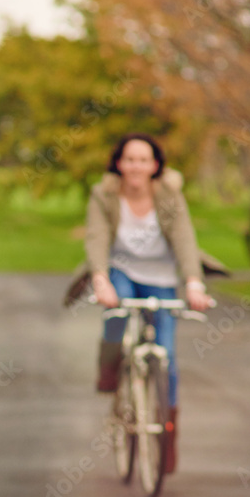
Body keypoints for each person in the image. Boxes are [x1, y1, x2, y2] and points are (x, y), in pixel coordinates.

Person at [85, 133, 212, 473]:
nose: (136, 166)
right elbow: (97, 237)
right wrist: (100, 279)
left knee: (167, 356)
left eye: (143, 160)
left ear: (155, 165)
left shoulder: (169, 195)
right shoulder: (104, 194)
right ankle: (110, 370)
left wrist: (194, 284)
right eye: (129, 159)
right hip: (122, 270)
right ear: (119, 163)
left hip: (161, 276)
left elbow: (184, 239)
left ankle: (167, 437)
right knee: (116, 314)